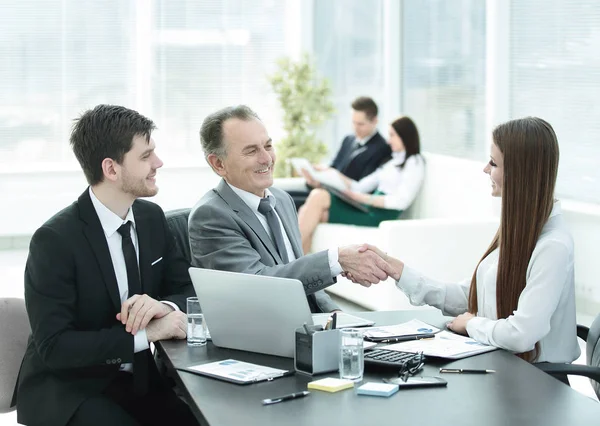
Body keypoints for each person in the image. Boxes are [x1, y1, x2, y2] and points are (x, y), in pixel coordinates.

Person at [13, 105, 199, 426]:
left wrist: (163, 307)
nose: (158, 163)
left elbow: (186, 289)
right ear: (111, 169)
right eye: (145, 156)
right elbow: (55, 346)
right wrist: (147, 334)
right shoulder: (54, 240)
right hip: (71, 390)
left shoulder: (152, 218)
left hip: (139, 382)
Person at [356, 117, 580, 365]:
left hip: (539, 384)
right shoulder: (520, 230)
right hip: (507, 368)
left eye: (493, 163)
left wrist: (472, 323)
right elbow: (470, 297)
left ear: (519, 173)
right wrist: (399, 272)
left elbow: (521, 334)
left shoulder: (553, 246)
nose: (485, 169)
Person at [188, 105, 399, 312]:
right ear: (218, 164)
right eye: (251, 151)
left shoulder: (281, 199)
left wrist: (343, 321)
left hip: (308, 331)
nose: (266, 158)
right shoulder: (210, 216)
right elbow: (258, 286)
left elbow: (307, 288)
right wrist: (336, 259)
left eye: (268, 146)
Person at [298, 116, 425, 254]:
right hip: (367, 206)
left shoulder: (414, 162)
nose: (388, 141)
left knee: (318, 197)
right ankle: (300, 269)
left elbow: (401, 202)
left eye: (392, 135)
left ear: (405, 136)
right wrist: (329, 174)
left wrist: (363, 198)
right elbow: (359, 187)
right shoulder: (392, 162)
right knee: (316, 212)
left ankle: (289, 255)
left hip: (379, 214)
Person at [329, 96, 392, 180]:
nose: (355, 128)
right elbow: (334, 166)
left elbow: (365, 183)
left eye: (360, 124)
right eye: (353, 123)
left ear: (375, 121)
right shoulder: (348, 140)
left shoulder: (383, 148)